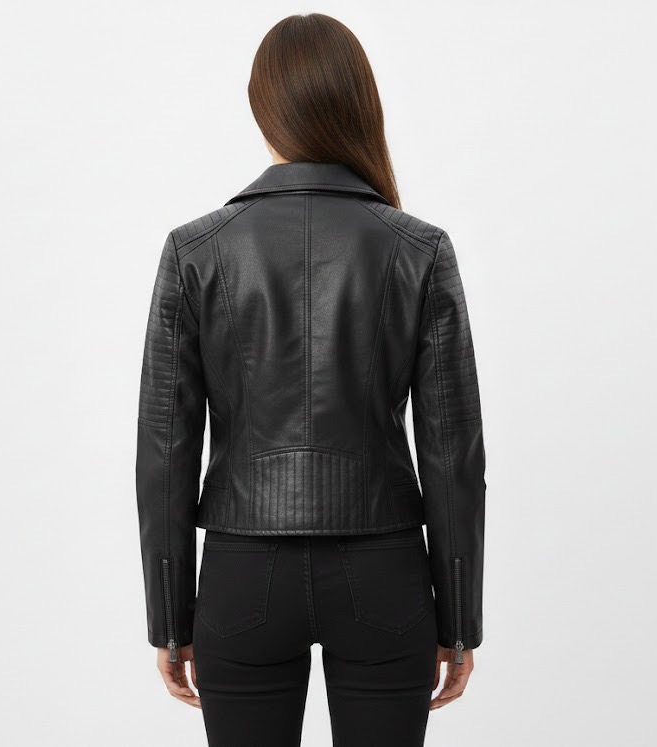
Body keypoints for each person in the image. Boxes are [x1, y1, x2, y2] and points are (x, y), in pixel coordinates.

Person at [135, 13, 486, 746]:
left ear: (262, 108)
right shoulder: (418, 249)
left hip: (243, 573)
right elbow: (453, 453)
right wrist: (458, 620)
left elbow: (164, 452)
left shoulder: (196, 250)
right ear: (360, 105)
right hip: (384, 572)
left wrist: (170, 617)